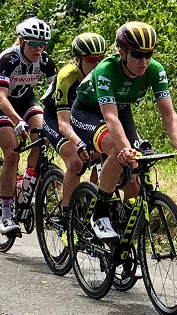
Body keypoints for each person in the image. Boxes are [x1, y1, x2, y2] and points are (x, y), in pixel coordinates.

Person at [69, 22, 177, 239]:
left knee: (137, 169)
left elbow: (168, 114)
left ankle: (125, 228)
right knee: (116, 149)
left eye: (148, 54)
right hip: (88, 112)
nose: (144, 61)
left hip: (121, 110)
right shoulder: (105, 70)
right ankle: (99, 213)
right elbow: (109, 116)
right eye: (138, 55)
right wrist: (125, 148)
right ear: (122, 52)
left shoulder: (155, 70)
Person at [0, 17, 58, 235]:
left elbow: (58, 91)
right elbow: (0, 99)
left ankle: (25, 185)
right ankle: (6, 213)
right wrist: (17, 121)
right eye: (34, 43)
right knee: (13, 151)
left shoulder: (45, 61)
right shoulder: (9, 59)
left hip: (25, 98)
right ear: (22, 41)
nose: (38, 49)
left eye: (42, 44)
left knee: (43, 137)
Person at [40, 32, 107, 212]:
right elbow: (63, 124)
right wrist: (79, 143)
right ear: (78, 60)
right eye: (92, 59)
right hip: (56, 117)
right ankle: (66, 212)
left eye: (101, 58)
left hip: (81, 116)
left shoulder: (103, 74)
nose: (97, 64)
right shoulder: (67, 76)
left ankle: (91, 203)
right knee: (76, 162)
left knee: (105, 155)